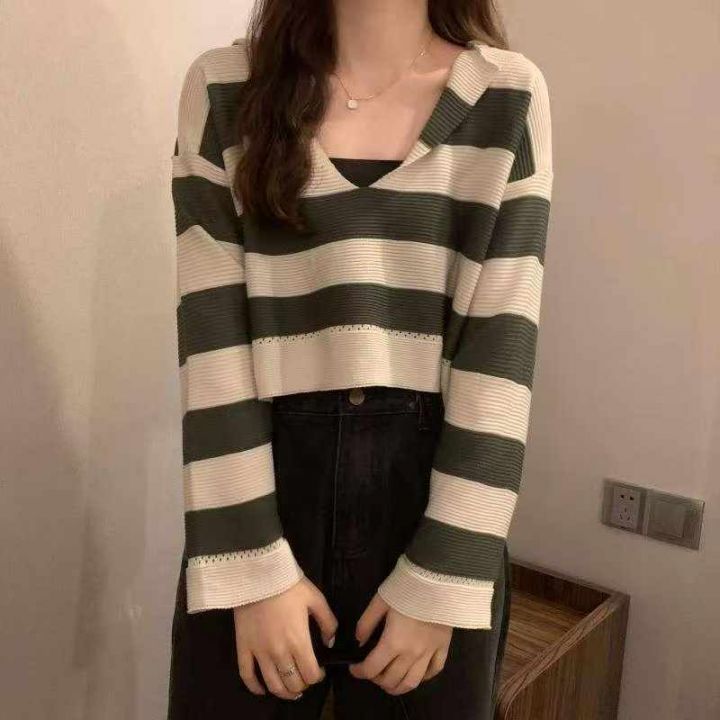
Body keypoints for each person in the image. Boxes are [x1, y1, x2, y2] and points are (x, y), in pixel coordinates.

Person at [167, 1, 553, 718]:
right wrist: (253, 569)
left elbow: (500, 355)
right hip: (259, 491)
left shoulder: (508, 95)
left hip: (433, 498)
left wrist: (441, 577)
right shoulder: (225, 88)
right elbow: (212, 341)